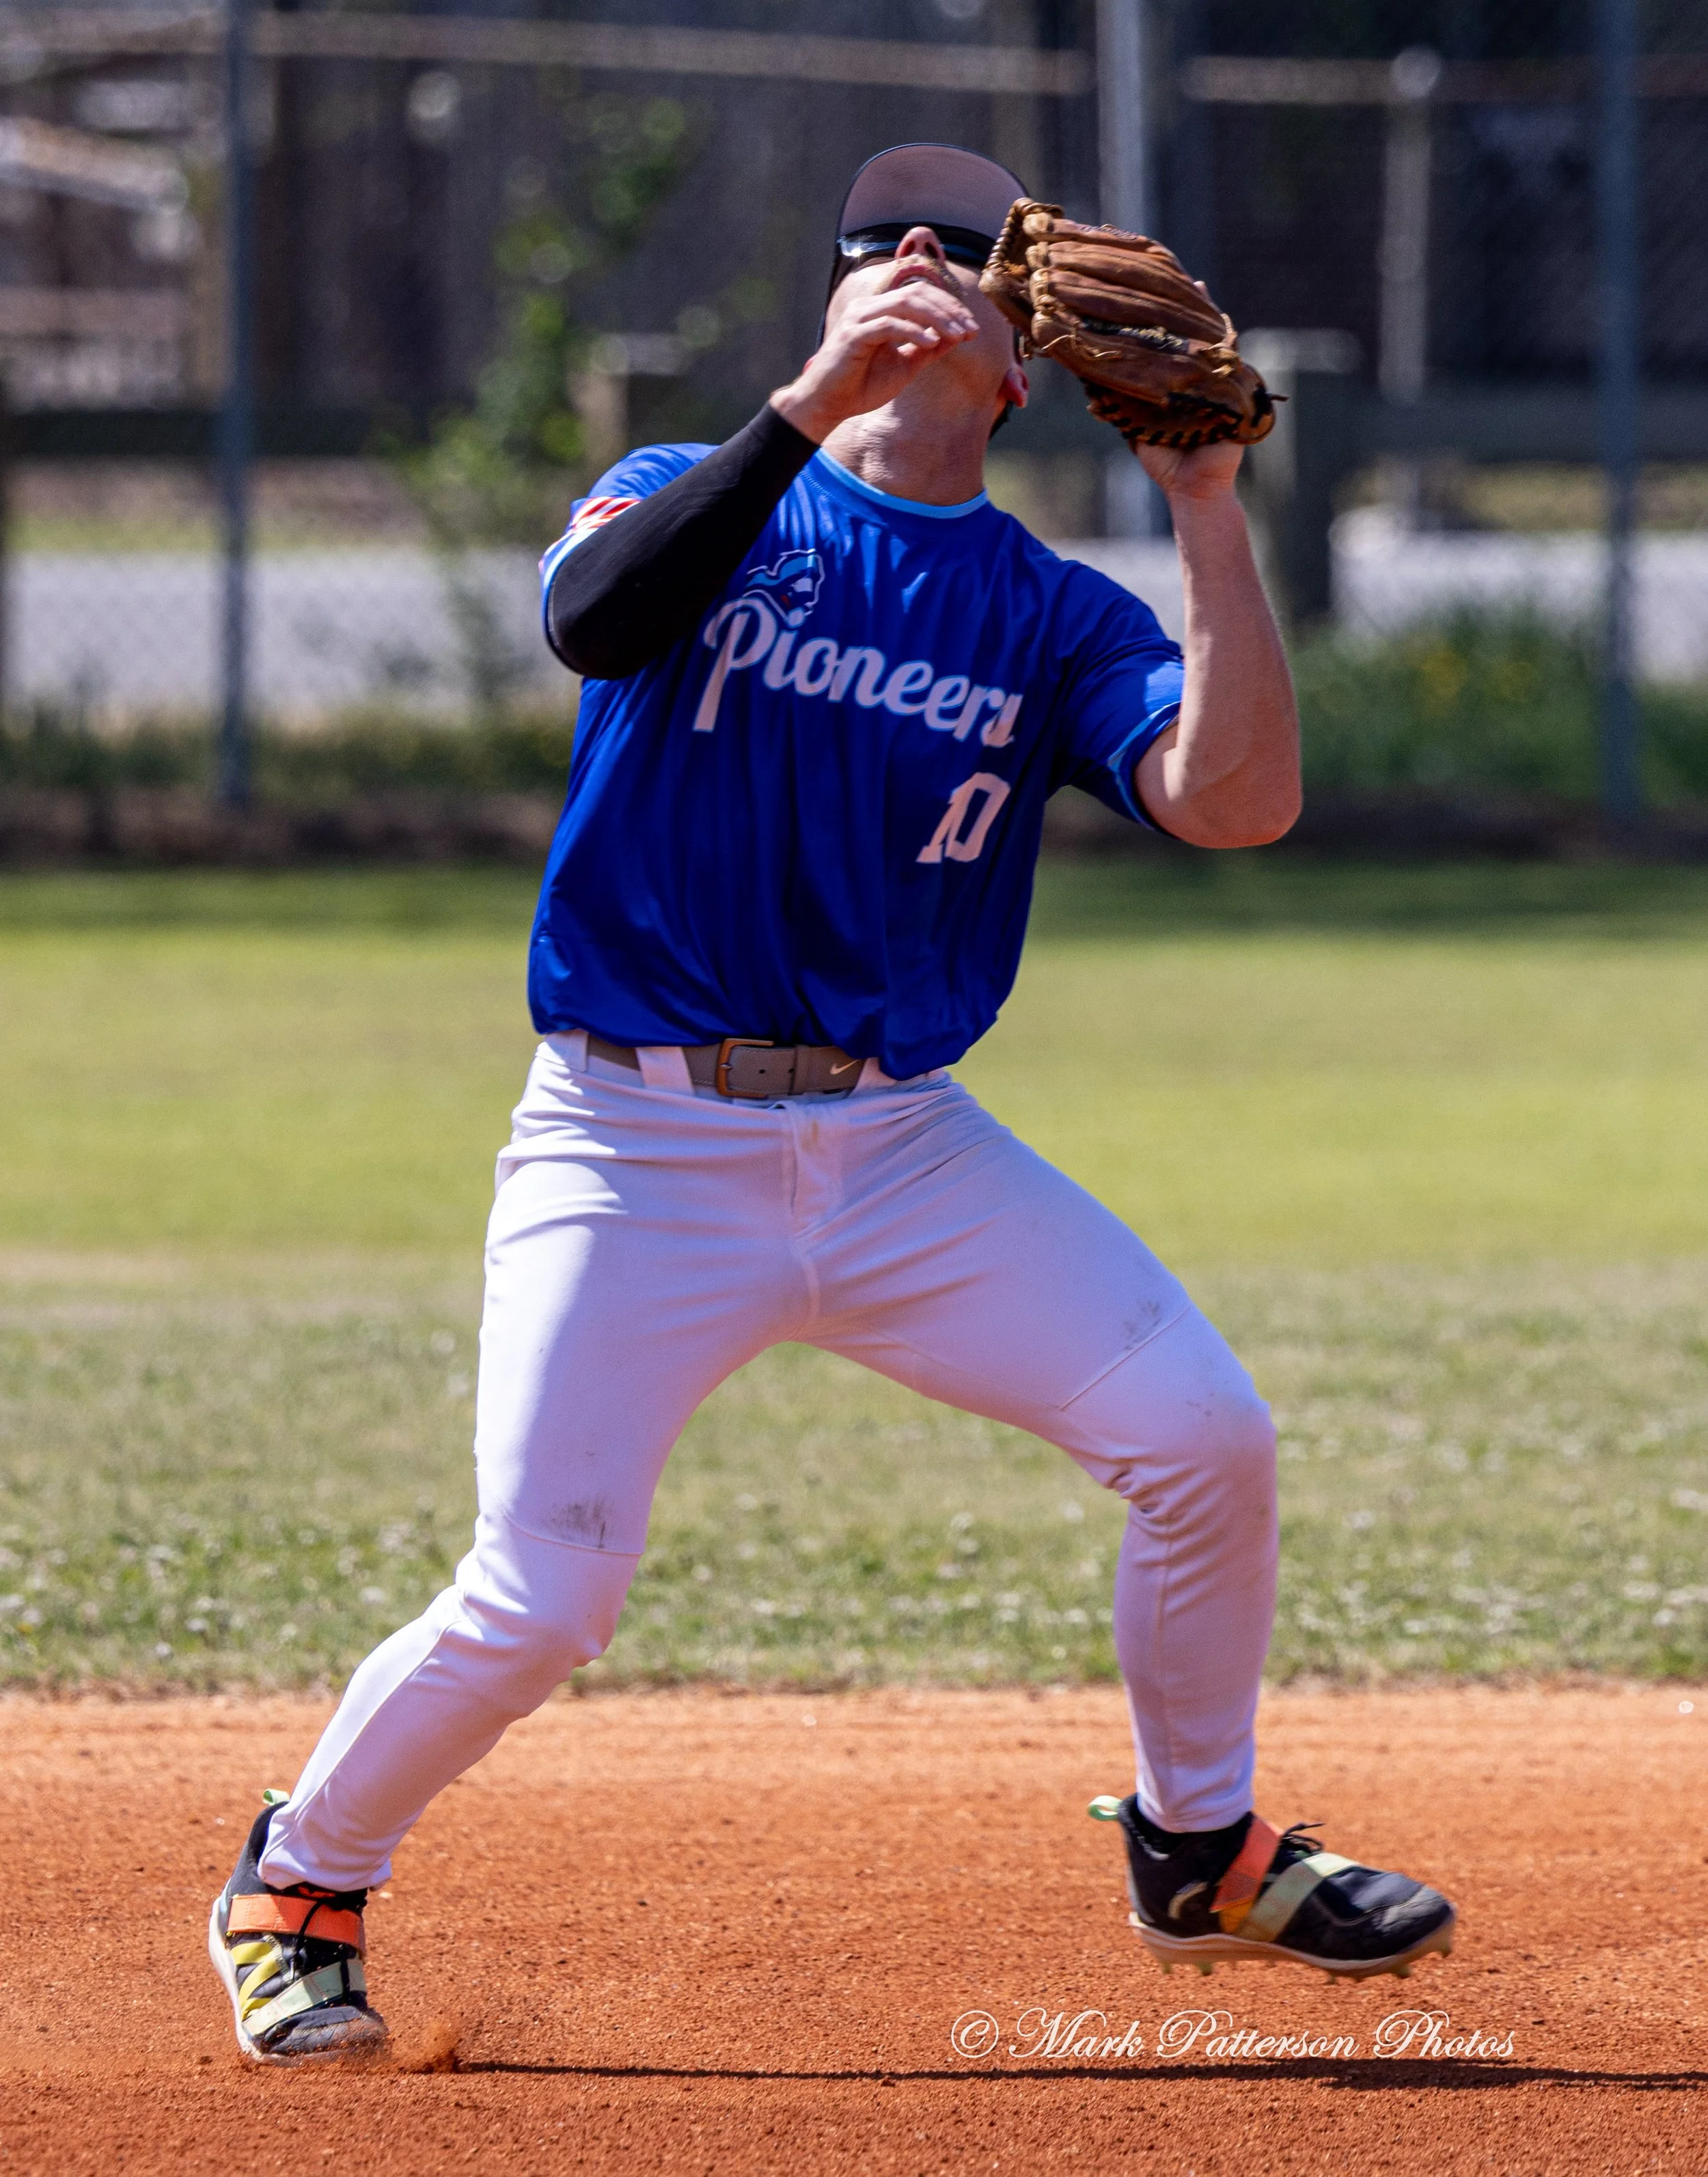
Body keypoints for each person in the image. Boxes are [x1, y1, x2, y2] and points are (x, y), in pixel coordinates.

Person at [210, 142, 1453, 2064]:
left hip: (895, 1152)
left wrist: (1209, 503)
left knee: (1204, 1437)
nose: (916, 275)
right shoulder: (686, 498)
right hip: (633, 1144)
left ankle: (1199, 1847)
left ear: (1023, 362)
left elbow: (1235, 803)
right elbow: (595, 623)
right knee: (543, 1595)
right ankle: (298, 1879)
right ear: (831, 301)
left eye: (961, 263)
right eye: (879, 251)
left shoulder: (1049, 614)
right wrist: (802, 414)